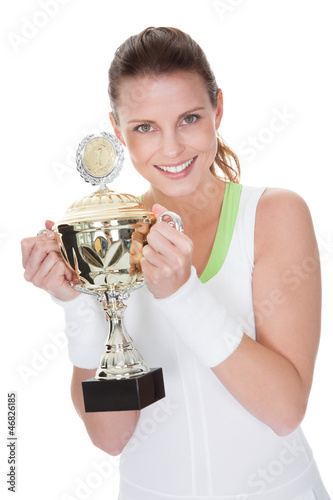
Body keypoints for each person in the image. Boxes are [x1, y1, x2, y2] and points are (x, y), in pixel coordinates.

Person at [21, 27, 331, 500]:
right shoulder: (111, 241)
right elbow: (110, 437)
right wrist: (76, 304)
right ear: (117, 130)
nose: (171, 149)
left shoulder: (274, 215)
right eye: (145, 127)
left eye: (189, 119)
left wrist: (182, 294)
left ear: (218, 110)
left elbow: (285, 410)